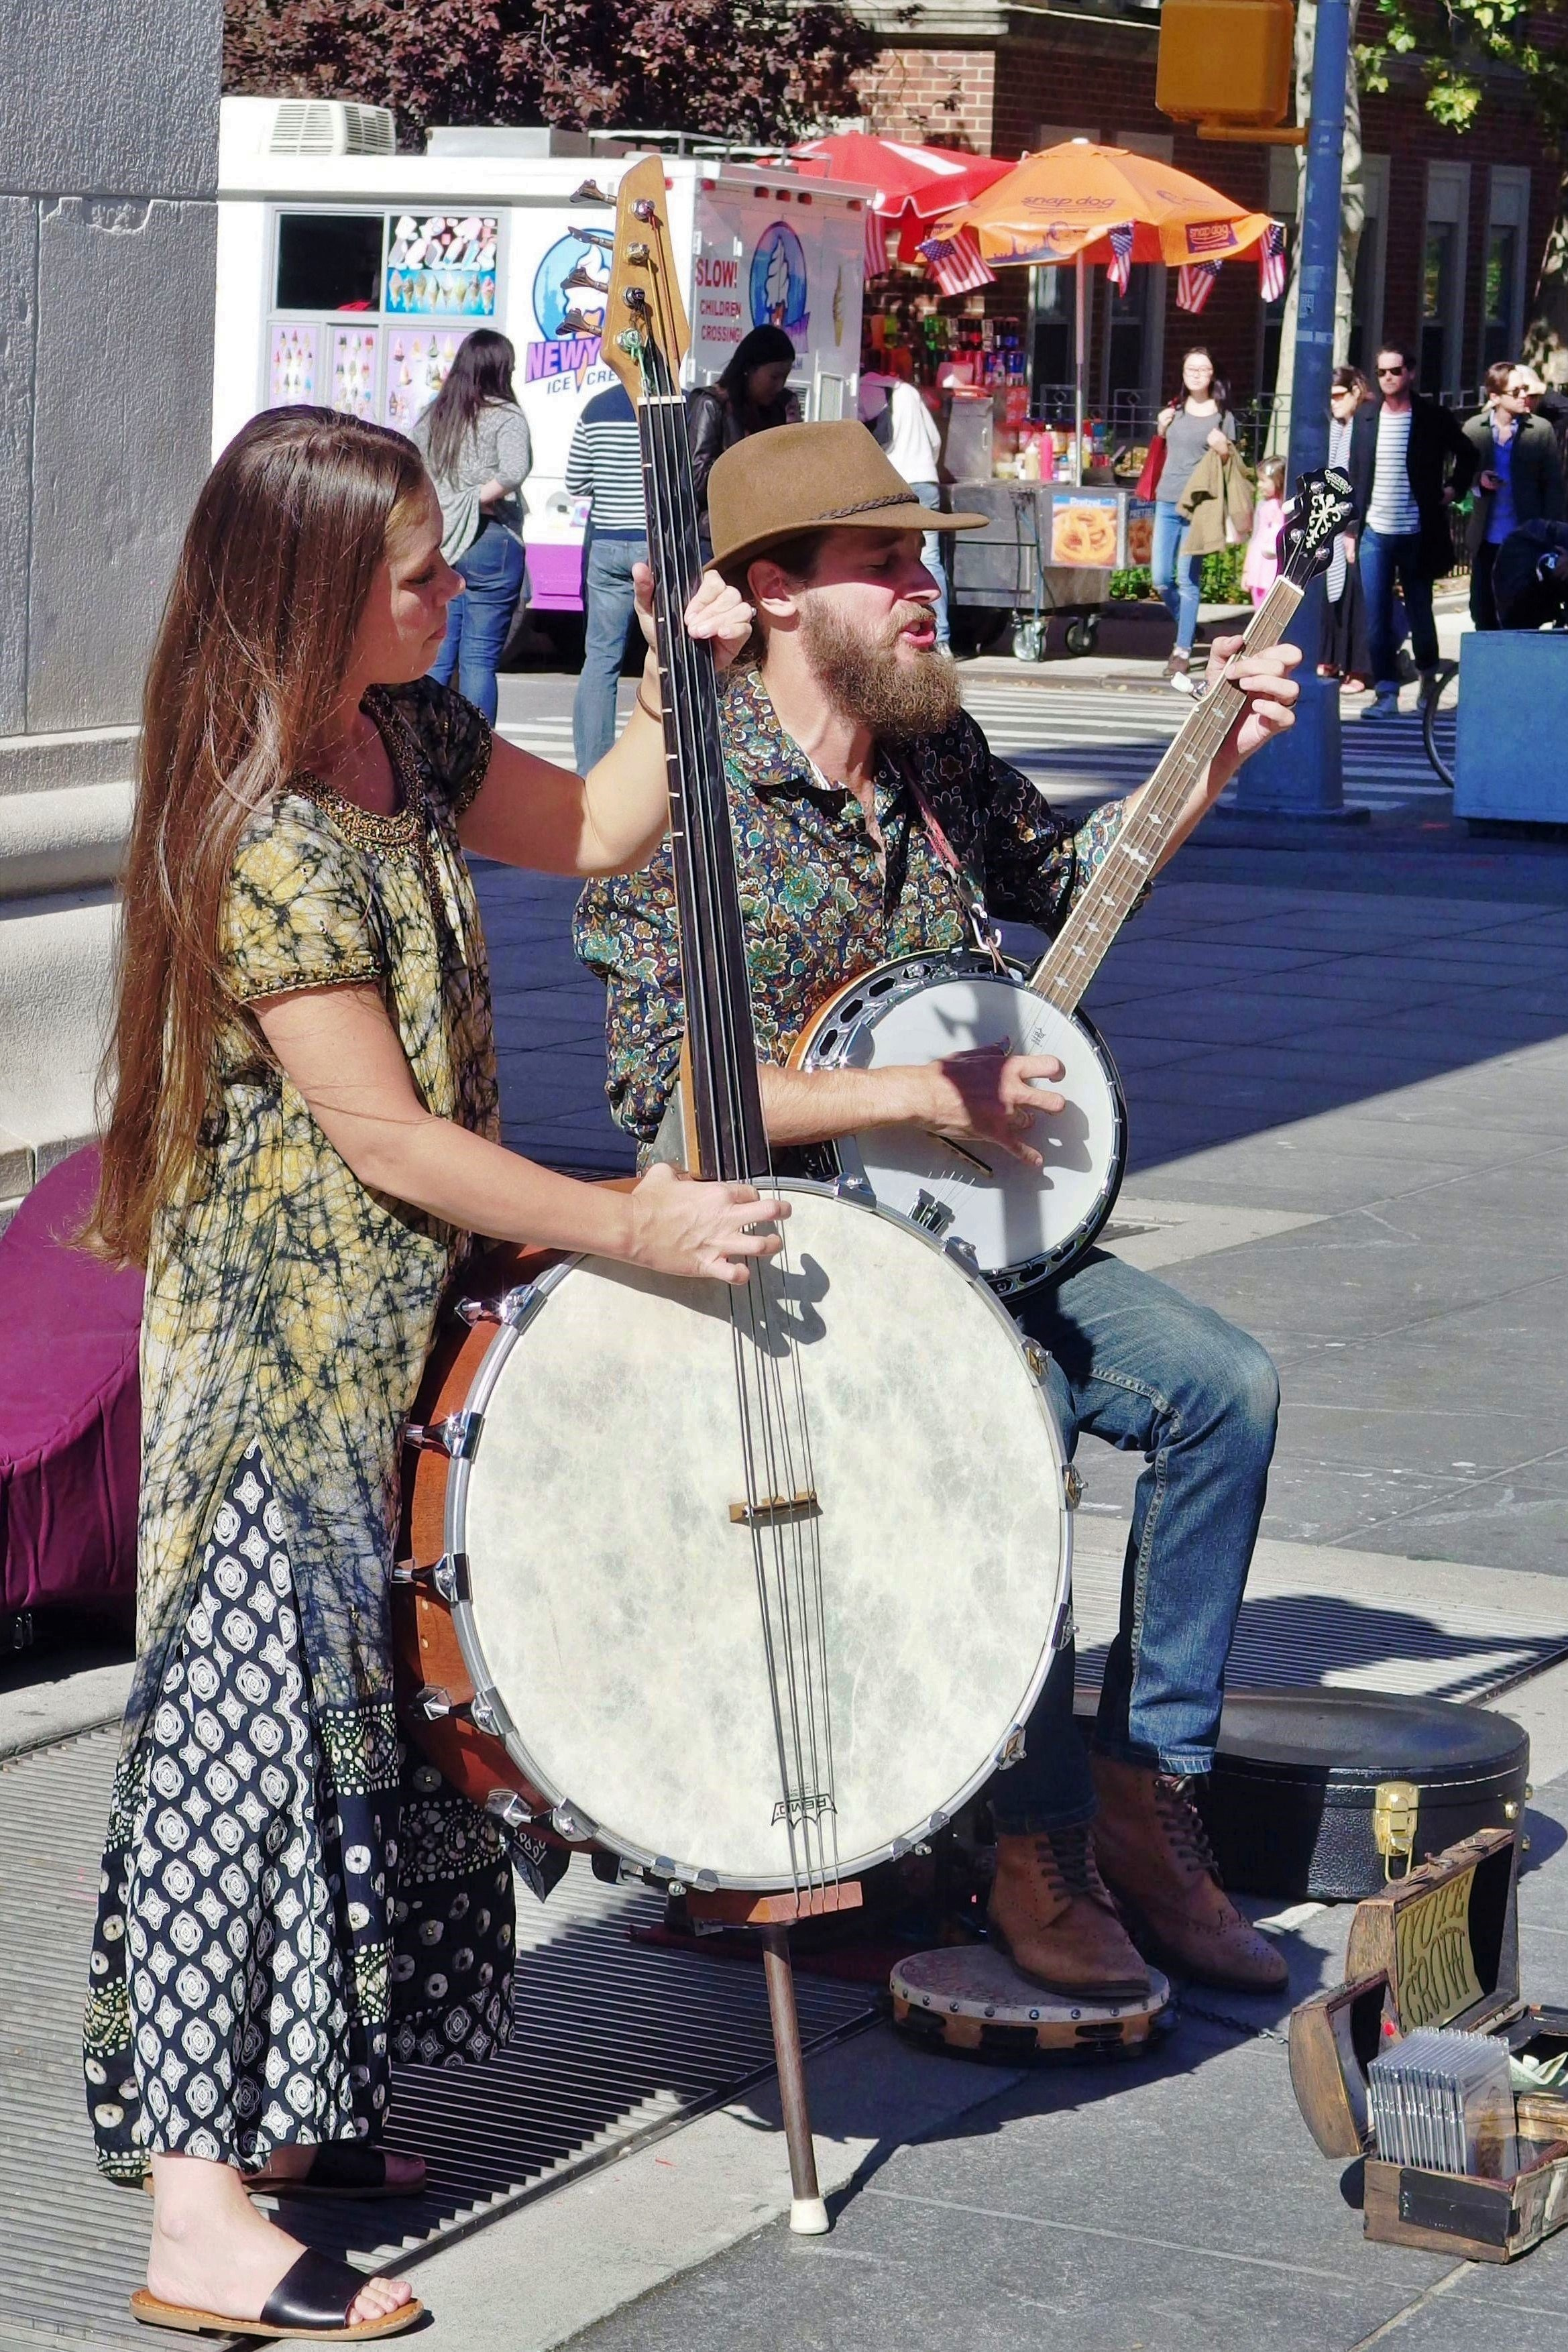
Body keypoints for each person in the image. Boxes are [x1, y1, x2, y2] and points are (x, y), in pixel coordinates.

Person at [80, 406, 783, 2343]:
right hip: (279, 1361)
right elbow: (383, 1136)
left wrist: (678, 660)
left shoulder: (416, 741)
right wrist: (624, 1221)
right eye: (414, 566)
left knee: (370, 1737)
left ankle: (287, 2116)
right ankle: (197, 2215)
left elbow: (609, 826)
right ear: (313, 588)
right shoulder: (265, 834)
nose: (452, 584)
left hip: (404, 1329)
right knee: (245, 1760)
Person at [576, 421, 1301, 2003]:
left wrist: (1209, 765)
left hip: (992, 1238)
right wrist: (919, 1100)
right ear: (773, 592)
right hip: (814, 1272)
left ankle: (1142, 1787)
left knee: (1222, 1388)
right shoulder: (677, 818)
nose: (927, 589)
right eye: (885, 563)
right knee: (1014, 1414)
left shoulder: (936, 761)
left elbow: (1074, 868)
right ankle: (1029, 1840)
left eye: (925, 558)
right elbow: (678, 1108)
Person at [1347, 341, 1475, 719]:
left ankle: (1426, 682)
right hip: (1375, 533)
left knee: (1421, 612)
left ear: (1411, 373)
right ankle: (1385, 692)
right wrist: (1352, 529)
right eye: (1382, 372)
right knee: (1376, 617)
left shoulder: (1431, 417)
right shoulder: (1367, 418)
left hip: (1417, 531)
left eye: (1395, 371)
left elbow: (1467, 453)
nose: (1388, 378)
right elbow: (1355, 476)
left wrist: (1454, 489)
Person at [413, 329, 532, 724]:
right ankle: (480, 759)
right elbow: (515, 469)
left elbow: (414, 463)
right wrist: (479, 497)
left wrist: (448, 503)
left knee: (437, 655)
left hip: (442, 543)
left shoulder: (437, 413)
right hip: (492, 541)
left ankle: (425, 746)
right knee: (480, 659)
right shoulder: (505, 415)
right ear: (500, 368)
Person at [566, 380, 650, 772]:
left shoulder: (594, 409)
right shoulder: (666, 406)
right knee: (667, 655)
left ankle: (592, 769)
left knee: (601, 658)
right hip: (654, 545)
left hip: (606, 542)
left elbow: (575, 483)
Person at [1152, 347, 1238, 693]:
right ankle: (1186, 624)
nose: (1197, 374)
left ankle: (1182, 649)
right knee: (1160, 578)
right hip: (1167, 499)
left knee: (1188, 581)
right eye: (1191, 369)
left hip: (1199, 505)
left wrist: (1223, 448)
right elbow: (1160, 450)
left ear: (1213, 374)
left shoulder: (1222, 416)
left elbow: (1232, 462)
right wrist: (1160, 428)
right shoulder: (1174, 411)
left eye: (1203, 369)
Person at [1463, 361, 1567, 631]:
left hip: (1526, 541)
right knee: (1483, 612)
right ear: (1495, 397)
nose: (1524, 396)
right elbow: (1459, 484)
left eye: (1525, 390)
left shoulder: (1540, 430)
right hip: (1487, 539)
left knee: (1523, 615)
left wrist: (1556, 538)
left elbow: (1553, 488)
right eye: (1516, 391)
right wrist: (1480, 483)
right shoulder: (1474, 430)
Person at [687, 324, 796, 557]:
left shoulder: (776, 409)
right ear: (749, 369)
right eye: (774, 376)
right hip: (714, 537)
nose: (780, 386)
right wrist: (749, 467)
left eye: (785, 378)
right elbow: (697, 479)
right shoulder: (711, 405)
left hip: (760, 533)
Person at [863, 369, 952, 651]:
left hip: (897, 482)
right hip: (926, 480)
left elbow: (870, 440)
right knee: (931, 559)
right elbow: (935, 440)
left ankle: (899, 632)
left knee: (893, 562)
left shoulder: (865, 388)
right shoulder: (909, 391)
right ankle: (942, 636)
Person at [1319, 366, 1374, 691]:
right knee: (1330, 591)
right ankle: (1331, 658)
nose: (1334, 403)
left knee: (1355, 595)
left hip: (1356, 521)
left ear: (1355, 390)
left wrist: (1353, 524)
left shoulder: (1365, 423)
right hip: (1331, 518)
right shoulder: (1337, 428)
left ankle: (1357, 667)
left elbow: (1362, 477)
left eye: (1339, 395)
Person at [1241, 456, 1286, 606]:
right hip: (1259, 565)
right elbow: (1255, 538)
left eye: (1264, 481)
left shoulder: (1287, 507)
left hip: (1275, 566)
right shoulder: (1263, 506)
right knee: (1260, 605)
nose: (1259, 485)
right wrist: (1247, 571)